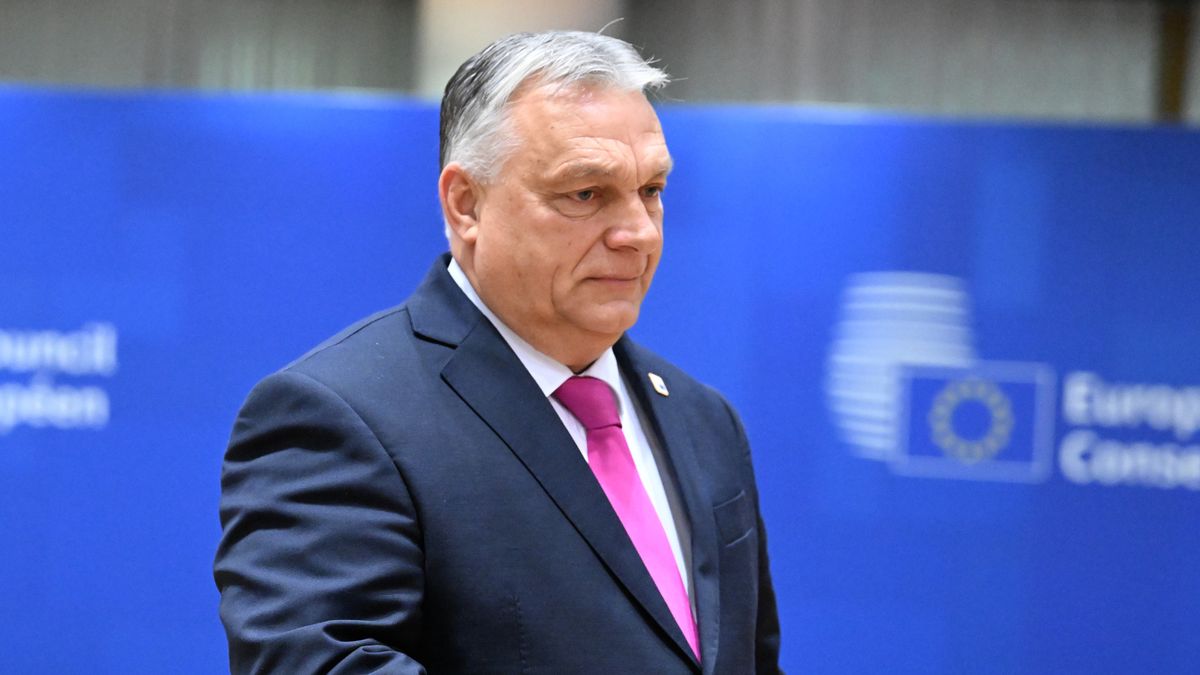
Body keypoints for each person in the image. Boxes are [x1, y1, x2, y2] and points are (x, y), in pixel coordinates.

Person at [214, 30, 782, 674]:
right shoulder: (341, 414)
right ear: (466, 205)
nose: (638, 233)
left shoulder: (704, 421)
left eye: (651, 189)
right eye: (586, 193)